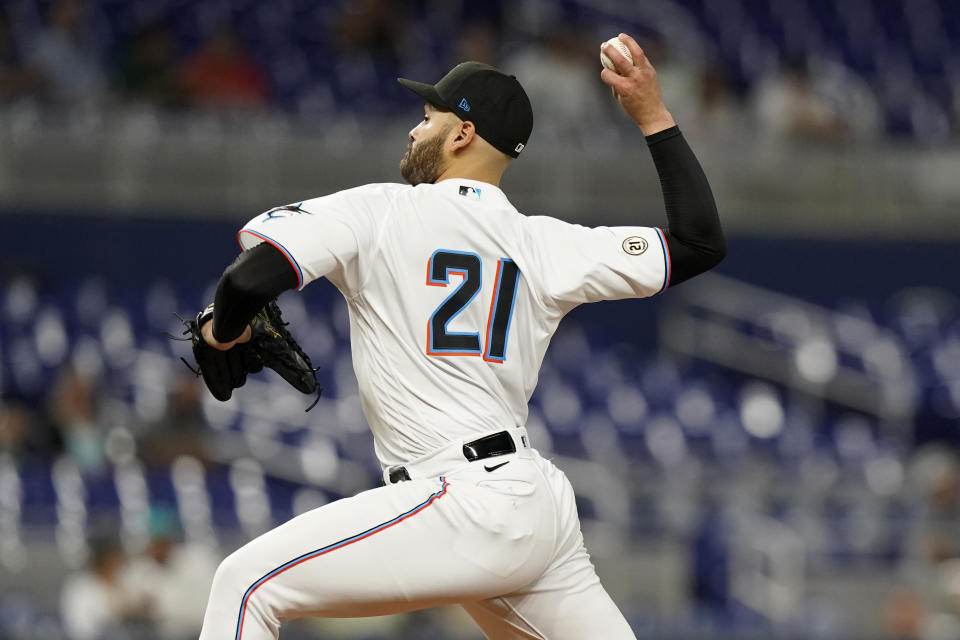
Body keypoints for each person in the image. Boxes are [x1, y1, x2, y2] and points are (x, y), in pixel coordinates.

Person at [196, 33, 724, 639]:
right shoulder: (545, 242)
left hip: (459, 502)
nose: (414, 131)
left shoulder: (382, 210)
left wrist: (220, 331)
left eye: (427, 118)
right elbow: (700, 243)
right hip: (533, 506)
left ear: (463, 135)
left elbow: (250, 277)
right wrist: (653, 114)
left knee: (245, 586)